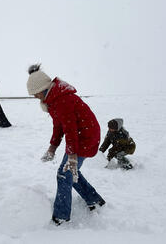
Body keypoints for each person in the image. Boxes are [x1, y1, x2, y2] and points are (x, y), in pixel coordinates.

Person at [26, 64, 105, 225]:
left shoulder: (62, 100)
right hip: (81, 135)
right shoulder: (54, 100)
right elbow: (59, 126)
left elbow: (70, 130)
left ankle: (61, 216)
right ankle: (93, 200)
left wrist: (72, 156)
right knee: (70, 173)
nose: (35, 97)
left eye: (35, 93)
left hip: (86, 136)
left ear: (42, 88)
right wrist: (52, 148)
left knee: (64, 174)